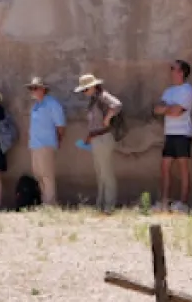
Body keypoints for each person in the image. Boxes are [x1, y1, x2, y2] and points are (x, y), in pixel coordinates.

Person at [75, 75, 123, 213]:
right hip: (97, 138)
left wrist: (107, 119)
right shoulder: (93, 100)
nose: (84, 92)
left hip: (104, 137)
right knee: (100, 173)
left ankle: (109, 205)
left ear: (93, 86)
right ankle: (101, 204)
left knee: (106, 172)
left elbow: (117, 105)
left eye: (85, 89)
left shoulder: (103, 96)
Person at [154, 59, 192, 213]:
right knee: (165, 167)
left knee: (183, 167)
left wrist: (167, 109)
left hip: (183, 133)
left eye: (174, 68)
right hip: (170, 133)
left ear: (182, 72)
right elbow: (157, 109)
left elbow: (177, 112)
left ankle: (183, 202)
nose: (171, 71)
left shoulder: (188, 90)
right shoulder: (168, 91)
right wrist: (168, 109)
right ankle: (165, 201)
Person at [26, 77, 65, 206]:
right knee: (38, 174)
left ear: (43, 89)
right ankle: (45, 201)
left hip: (46, 144)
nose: (32, 91)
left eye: (35, 88)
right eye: (31, 88)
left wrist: (58, 140)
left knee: (47, 174)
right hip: (35, 145)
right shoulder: (36, 105)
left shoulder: (52, 104)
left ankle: (51, 203)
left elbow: (60, 125)